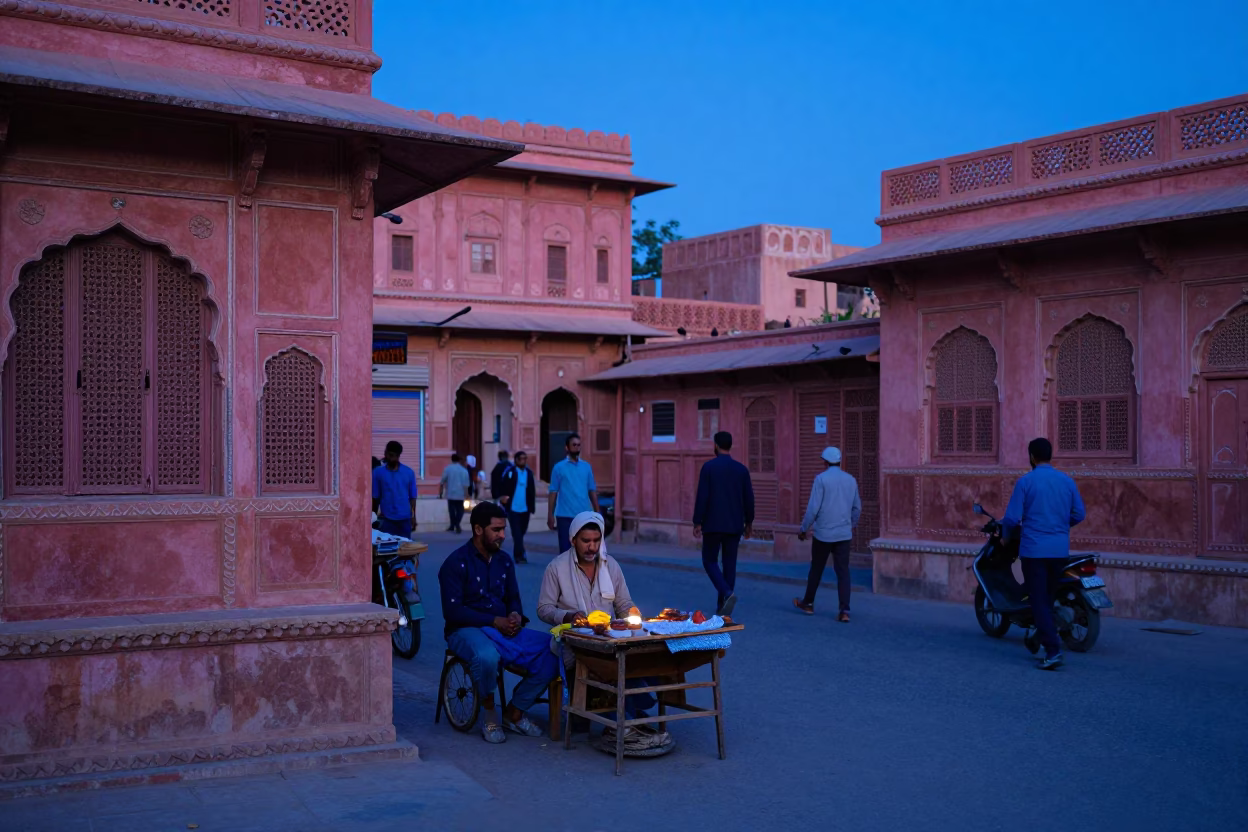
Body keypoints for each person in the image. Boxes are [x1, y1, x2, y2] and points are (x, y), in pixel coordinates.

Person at [537, 511, 664, 749]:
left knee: (646, 655)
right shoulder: (557, 568)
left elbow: (623, 603)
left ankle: (628, 715)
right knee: (608, 667)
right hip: (573, 644)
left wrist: (632, 614)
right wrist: (568, 616)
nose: (591, 547)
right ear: (573, 540)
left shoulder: (611, 565)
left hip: (607, 640)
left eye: (596, 541)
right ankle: (624, 721)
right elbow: (543, 609)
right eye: (586, 541)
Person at [438, 502, 559, 743]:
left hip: (502, 626)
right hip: (465, 629)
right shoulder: (455, 563)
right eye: (496, 530)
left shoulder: (503, 560)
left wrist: (514, 614)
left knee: (555, 648)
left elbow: (512, 596)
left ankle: (515, 711)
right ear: (478, 529)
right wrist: (494, 621)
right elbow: (453, 612)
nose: (502, 535)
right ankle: (489, 710)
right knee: (487, 656)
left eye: (504, 529)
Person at [1002, 437, 1086, 671]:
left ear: (1031, 456)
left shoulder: (1026, 482)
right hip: (1059, 550)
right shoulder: (1066, 481)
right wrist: (1060, 525)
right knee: (1047, 598)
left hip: (1034, 550)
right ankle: (1039, 638)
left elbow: (1010, 518)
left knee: (1038, 601)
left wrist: (1008, 535)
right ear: (1051, 455)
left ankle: (1053, 651)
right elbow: (1079, 514)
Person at [794, 447, 861, 622]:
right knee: (843, 572)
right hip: (843, 535)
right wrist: (849, 525)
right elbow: (857, 509)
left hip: (823, 534)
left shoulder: (821, 479)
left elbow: (813, 509)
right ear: (840, 461)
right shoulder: (851, 480)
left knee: (816, 568)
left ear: (825, 462)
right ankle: (844, 610)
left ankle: (808, 603)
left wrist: (803, 529)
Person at [692, 431, 754, 617]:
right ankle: (723, 606)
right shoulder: (741, 470)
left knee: (709, 561)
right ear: (730, 446)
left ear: (716, 445)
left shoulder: (709, 468)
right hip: (734, 525)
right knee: (729, 564)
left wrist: (697, 521)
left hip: (713, 524)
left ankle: (727, 594)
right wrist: (749, 522)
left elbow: (703, 496)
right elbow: (749, 498)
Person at [547, 433, 599, 553]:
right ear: (567, 447)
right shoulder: (558, 468)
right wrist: (550, 514)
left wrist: (597, 511)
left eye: (579, 445)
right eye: (574, 445)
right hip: (564, 516)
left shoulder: (586, 467)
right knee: (566, 550)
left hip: (583, 515)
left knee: (583, 550)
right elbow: (553, 492)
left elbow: (592, 490)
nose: (577, 447)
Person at [371, 441, 418, 539]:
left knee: (405, 550)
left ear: (398, 456)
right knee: (388, 550)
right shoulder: (377, 473)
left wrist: (413, 517)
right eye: (387, 453)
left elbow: (412, 498)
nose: (388, 457)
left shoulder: (409, 473)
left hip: (405, 520)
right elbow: (375, 498)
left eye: (391, 455)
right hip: (387, 520)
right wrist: (373, 519)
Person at [499, 451, 535, 563]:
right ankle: (520, 556)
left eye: (525, 458)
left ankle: (518, 552)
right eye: (522, 459)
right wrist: (502, 497)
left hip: (525, 508)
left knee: (521, 532)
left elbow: (531, 490)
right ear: (516, 460)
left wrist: (532, 506)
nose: (524, 461)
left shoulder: (529, 473)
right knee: (517, 533)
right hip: (513, 508)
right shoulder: (510, 472)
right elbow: (502, 485)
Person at [439, 453, 471, 533]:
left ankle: (453, 525)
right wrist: (467, 494)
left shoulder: (447, 469)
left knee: (452, 510)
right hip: (460, 493)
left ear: (451, 459)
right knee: (460, 510)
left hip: (450, 493)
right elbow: (466, 484)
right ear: (459, 460)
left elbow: (442, 481)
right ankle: (457, 524)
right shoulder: (464, 470)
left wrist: (441, 492)